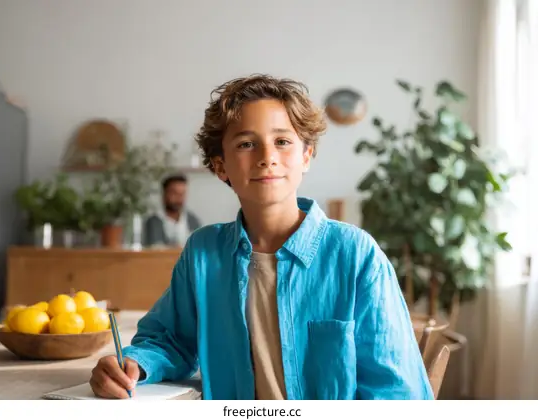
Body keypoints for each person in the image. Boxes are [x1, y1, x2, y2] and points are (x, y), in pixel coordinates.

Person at [89, 74, 434, 400]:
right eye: (247, 144)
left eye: (282, 142)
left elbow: (395, 394)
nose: (267, 157)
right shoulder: (204, 253)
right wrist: (133, 363)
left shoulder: (355, 255)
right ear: (221, 165)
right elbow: (172, 340)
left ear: (306, 155)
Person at [143, 174, 202, 248]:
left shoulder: (193, 220)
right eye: (174, 193)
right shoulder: (153, 222)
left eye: (182, 194)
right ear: (164, 194)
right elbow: (154, 249)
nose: (179, 198)